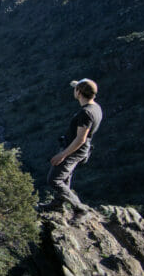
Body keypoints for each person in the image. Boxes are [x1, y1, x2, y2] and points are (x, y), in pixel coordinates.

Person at [43, 78, 102, 210]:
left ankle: (80, 208)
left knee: (54, 180)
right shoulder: (96, 107)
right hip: (78, 149)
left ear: (79, 92)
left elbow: (81, 138)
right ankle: (58, 203)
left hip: (74, 150)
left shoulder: (86, 113)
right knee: (64, 178)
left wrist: (62, 155)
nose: (73, 91)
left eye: (75, 88)